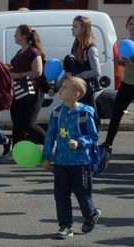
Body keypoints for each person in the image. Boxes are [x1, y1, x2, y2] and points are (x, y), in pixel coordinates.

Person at [42, 77, 101, 240]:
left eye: (65, 87)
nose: (61, 89)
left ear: (76, 94)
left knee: (83, 194)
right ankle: (65, 226)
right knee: (60, 195)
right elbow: (50, 136)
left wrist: (80, 142)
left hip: (81, 163)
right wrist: (46, 157)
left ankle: (91, 214)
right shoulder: (56, 112)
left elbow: (93, 135)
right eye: (61, 87)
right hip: (61, 163)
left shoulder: (85, 112)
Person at [99, 14, 134, 170]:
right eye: (130, 23)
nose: (132, 26)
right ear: (127, 26)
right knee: (116, 114)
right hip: (127, 84)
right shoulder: (126, 43)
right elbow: (127, 64)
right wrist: (121, 62)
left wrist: (130, 63)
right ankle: (108, 145)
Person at [52, 15, 101, 115]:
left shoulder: (91, 49)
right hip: (74, 90)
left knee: (88, 119)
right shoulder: (75, 47)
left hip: (85, 91)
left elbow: (96, 72)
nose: (72, 29)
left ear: (83, 29)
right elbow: (69, 72)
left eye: (75, 26)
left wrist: (78, 76)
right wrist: (56, 88)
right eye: (72, 26)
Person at [8, 25, 47, 146]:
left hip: (31, 92)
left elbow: (37, 72)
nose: (14, 36)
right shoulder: (20, 51)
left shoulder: (33, 52)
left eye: (16, 33)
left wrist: (18, 75)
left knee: (28, 124)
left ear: (24, 36)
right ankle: (16, 152)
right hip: (19, 91)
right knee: (17, 123)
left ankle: (49, 143)